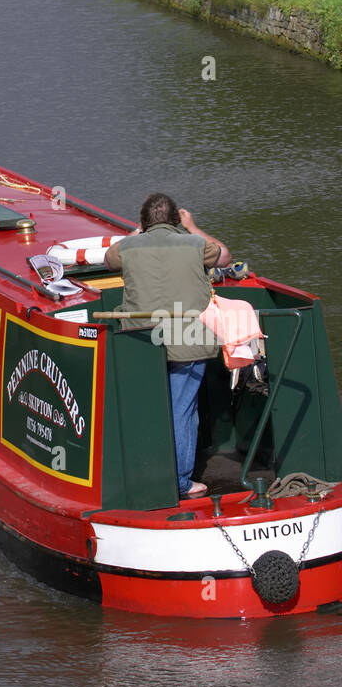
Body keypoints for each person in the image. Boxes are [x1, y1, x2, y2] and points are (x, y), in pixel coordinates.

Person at [104, 194, 231, 500]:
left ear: (143, 222)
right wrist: (193, 226)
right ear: (177, 219)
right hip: (188, 342)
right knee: (182, 411)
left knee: (146, 409)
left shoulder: (129, 247)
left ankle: (142, 476)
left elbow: (108, 260)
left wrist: (138, 232)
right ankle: (180, 483)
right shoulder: (194, 244)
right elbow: (225, 257)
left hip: (141, 342)